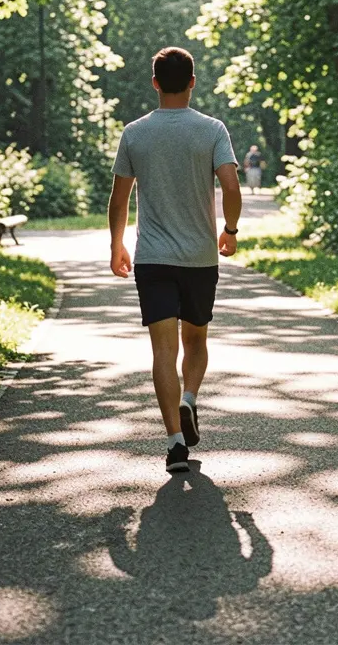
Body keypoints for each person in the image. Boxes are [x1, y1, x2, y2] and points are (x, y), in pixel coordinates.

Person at [108, 46, 242, 474]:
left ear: (154, 83)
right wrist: (231, 230)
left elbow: (120, 197)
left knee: (162, 351)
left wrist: (116, 245)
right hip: (200, 258)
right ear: (192, 82)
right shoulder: (212, 129)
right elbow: (231, 187)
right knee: (196, 341)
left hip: (154, 259)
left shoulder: (135, 133)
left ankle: (174, 443)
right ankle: (189, 399)